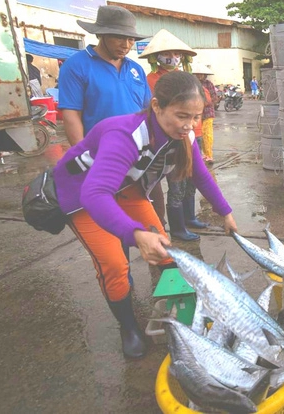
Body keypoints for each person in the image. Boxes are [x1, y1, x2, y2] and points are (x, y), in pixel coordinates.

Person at [52, 71, 237, 358]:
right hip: (82, 195)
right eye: (182, 116)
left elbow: (200, 176)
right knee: (114, 264)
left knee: (165, 249)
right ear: (156, 106)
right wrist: (135, 234)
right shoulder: (124, 135)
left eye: (196, 117)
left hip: (125, 187)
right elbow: (94, 194)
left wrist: (225, 211)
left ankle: (182, 312)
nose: (189, 125)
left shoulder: (183, 135)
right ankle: (128, 327)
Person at [139, 29, 208, 241]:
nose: (173, 57)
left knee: (192, 179)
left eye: (177, 53)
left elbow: (204, 99)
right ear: (155, 57)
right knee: (176, 182)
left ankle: (189, 217)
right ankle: (178, 227)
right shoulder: (152, 79)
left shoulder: (187, 77)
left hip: (194, 134)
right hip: (173, 138)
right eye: (168, 53)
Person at [59, 5, 151, 146]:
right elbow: (71, 114)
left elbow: (147, 110)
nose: (126, 45)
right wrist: (81, 155)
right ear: (100, 35)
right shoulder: (76, 65)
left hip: (137, 150)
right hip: (100, 150)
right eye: (119, 37)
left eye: (131, 39)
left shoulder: (136, 69)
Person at [192, 63, 218, 163]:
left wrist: (206, 103)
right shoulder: (192, 84)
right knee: (199, 135)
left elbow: (214, 98)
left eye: (200, 74)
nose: (199, 76)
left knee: (207, 134)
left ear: (204, 74)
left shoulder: (208, 84)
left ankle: (209, 155)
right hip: (196, 114)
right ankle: (202, 154)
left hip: (207, 113)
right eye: (197, 74)